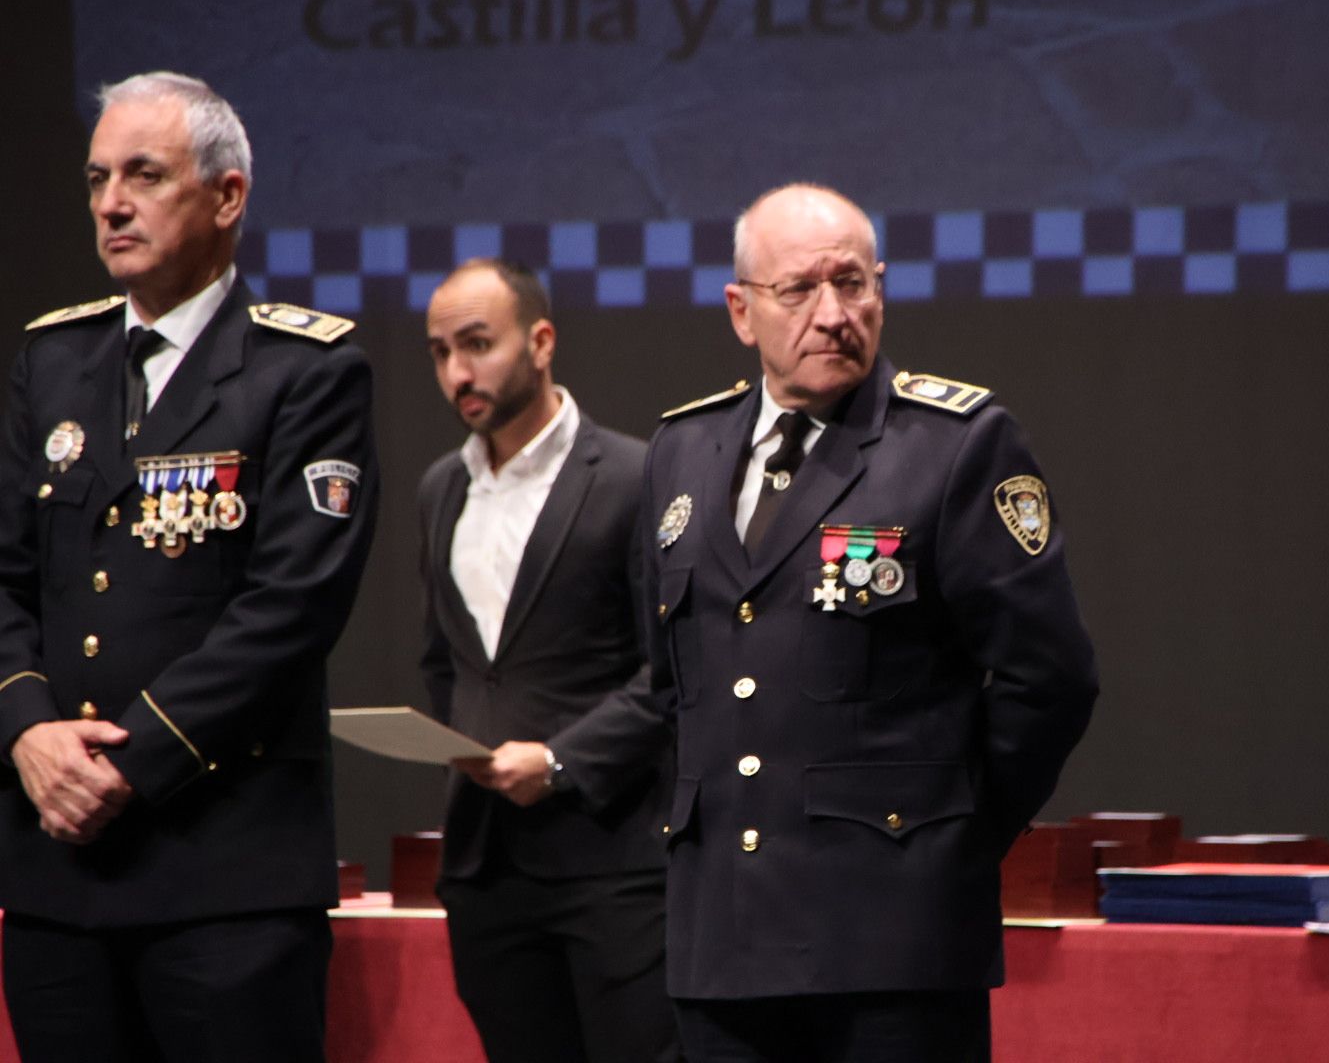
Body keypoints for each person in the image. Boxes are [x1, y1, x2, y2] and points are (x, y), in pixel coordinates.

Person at [643, 183, 1099, 1062]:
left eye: (852, 284)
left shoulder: (953, 446)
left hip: (894, 949)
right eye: (799, 291)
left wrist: (944, 834)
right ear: (741, 311)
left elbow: (1053, 678)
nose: (833, 314)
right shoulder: (681, 454)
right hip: (722, 951)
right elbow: (675, 690)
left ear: (881, 290)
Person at [0, 71, 377, 1061]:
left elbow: (292, 606)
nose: (110, 202)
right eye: (96, 179)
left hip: (225, 876)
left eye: (143, 174)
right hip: (56, 875)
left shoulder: (308, 370)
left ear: (226, 196)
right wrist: (28, 734)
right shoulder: (51, 364)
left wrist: (132, 765)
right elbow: (4, 578)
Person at [420, 257, 677, 1063]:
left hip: (614, 863)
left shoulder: (637, 476)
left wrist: (563, 760)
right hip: (487, 869)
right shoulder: (441, 489)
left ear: (541, 340)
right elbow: (447, 664)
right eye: (438, 353)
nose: (457, 372)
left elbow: (670, 672)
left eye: (476, 344)